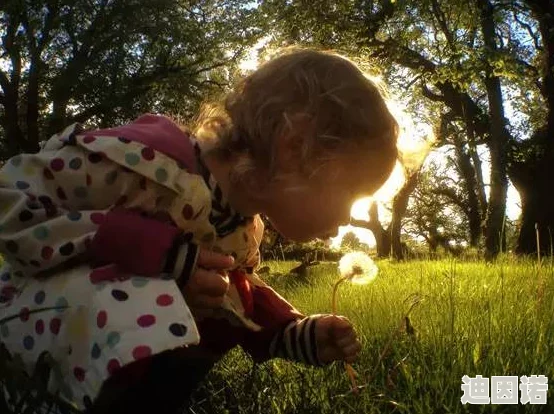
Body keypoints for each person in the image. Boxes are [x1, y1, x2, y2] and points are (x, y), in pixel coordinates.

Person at [0, 48, 398, 413]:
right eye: (351, 192)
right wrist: (148, 248)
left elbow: (238, 295)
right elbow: (9, 198)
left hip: (96, 349)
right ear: (294, 148)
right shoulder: (143, 167)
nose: (350, 216)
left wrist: (296, 331)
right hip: (29, 323)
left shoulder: (243, 226)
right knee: (161, 295)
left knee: (209, 295)